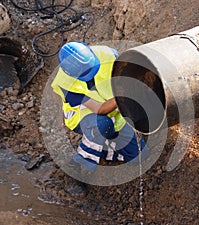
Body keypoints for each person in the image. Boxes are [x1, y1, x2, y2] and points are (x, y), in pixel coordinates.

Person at [51, 42, 147, 177]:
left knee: (138, 157)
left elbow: (127, 76)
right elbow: (98, 109)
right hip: (87, 117)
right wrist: (121, 99)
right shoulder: (65, 84)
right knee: (101, 125)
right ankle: (77, 167)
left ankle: (100, 147)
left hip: (116, 113)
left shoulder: (109, 56)